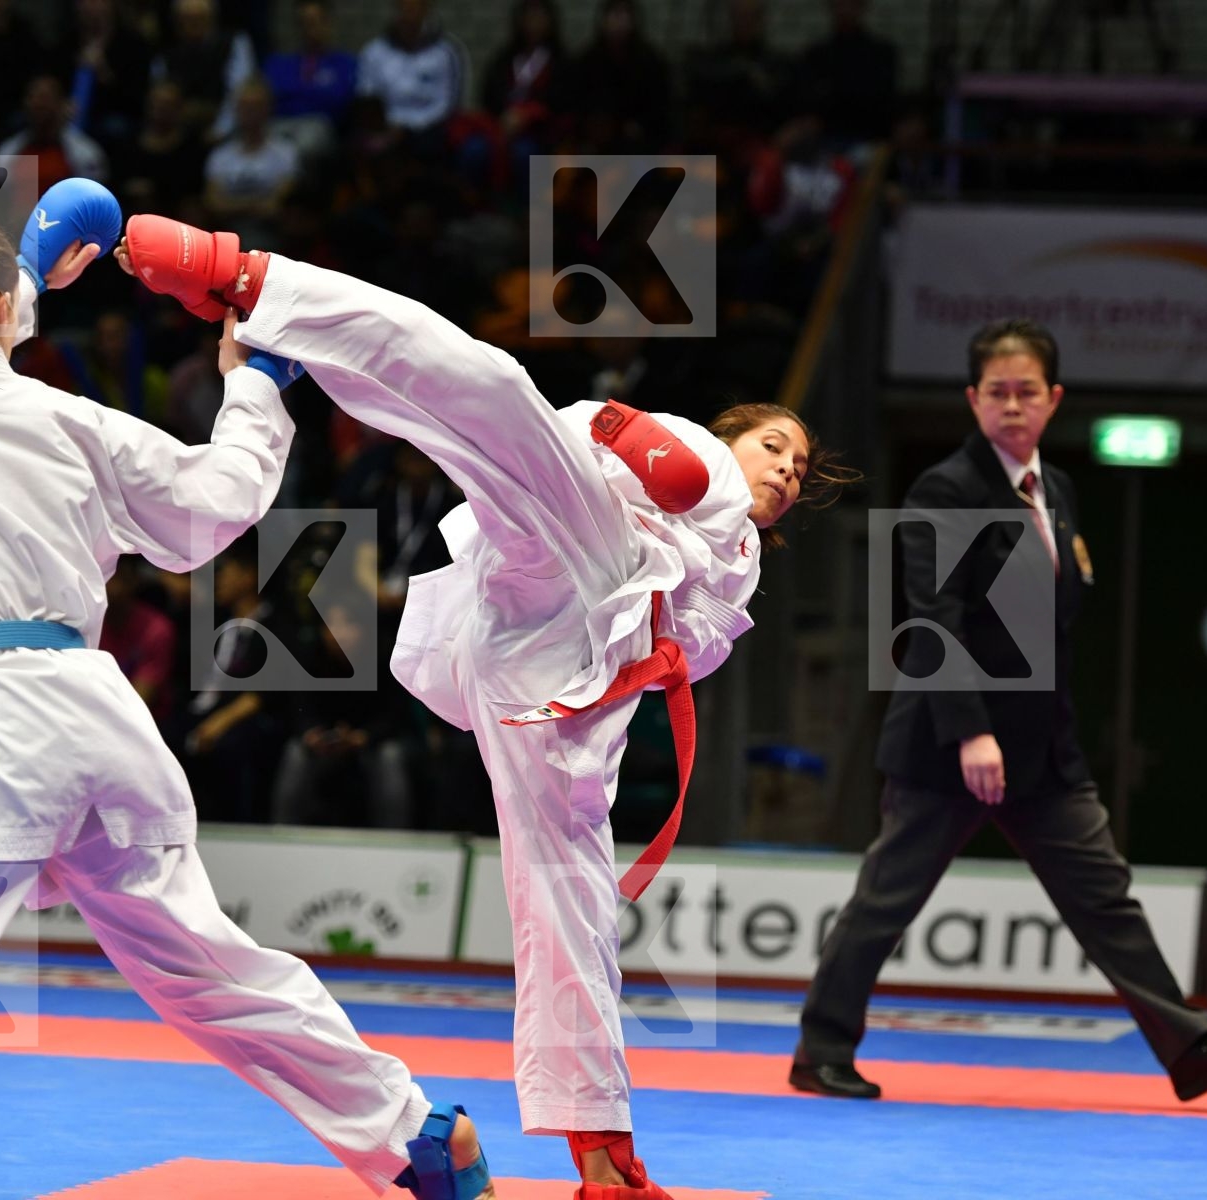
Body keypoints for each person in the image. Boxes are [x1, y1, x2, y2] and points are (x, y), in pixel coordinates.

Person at [119, 210, 854, 1197]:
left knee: (573, 907)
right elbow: (582, 429)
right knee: (496, 394)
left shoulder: (744, 568)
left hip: (563, 688)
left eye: (801, 471)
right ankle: (245, 277)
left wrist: (659, 651)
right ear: (732, 433)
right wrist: (634, 441)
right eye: (775, 445)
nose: (786, 470)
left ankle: (602, 1152)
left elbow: (686, 656)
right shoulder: (694, 450)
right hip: (570, 545)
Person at [0, 182, 494, 1200]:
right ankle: (415, 1137)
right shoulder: (81, 425)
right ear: (2, 311)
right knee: (210, 976)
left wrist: (32, 260)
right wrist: (254, 379)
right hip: (99, 721)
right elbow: (218, 508)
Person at [792, 318, 1207, 1105]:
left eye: (1028, 392)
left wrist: (1049, 740)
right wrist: (973, 730)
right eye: (998, 393)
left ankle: (1186, 1047)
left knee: (1104, 895)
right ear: (973, 400)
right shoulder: (947, 488)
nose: (1013, 406)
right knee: (887, 898)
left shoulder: (1061, 490)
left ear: (1054, 399)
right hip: (951, 747)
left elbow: (1053, 629)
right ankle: (821, 1050)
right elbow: (930, 620)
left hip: (1043, 751)